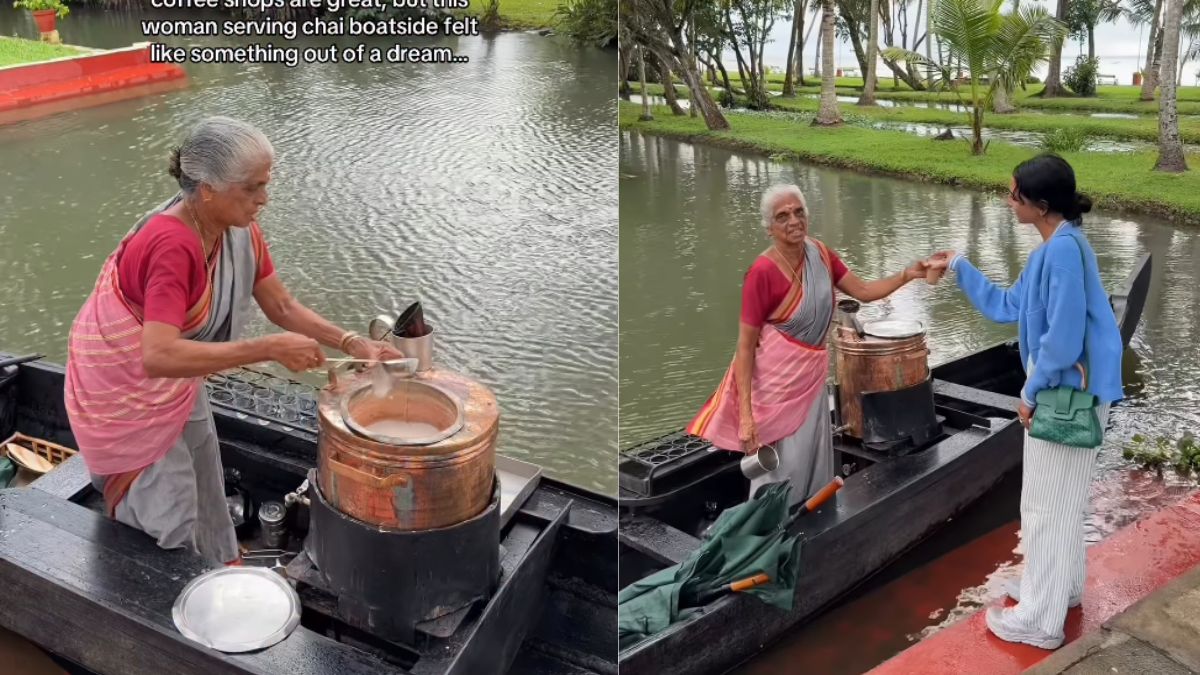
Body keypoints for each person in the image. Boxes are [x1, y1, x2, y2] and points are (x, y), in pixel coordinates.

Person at [64, 116, 404, 566]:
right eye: (251, 188)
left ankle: (221, 567)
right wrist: (269, 348)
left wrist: (351, 342)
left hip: (179, 382)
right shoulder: (171, 244)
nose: (263, 198)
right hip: (127, 395)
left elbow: (281, 306)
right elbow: (158, 354)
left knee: (207, 479)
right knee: (167, 514)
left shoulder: (236, 229)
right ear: (207, 188)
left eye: (265, 184)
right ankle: (169, 603)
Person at [924, 153, 1124, 649]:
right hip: (1072, 386)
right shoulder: (1057, 246)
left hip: (1062, 391)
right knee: (1061, 500)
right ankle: (1057, 589)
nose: (1007, 201)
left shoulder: (1060, 253)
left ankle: (1041, 619)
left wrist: (1030, 392)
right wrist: (959, 266)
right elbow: (1008, 306)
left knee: (1045, 505)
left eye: (1013, 194)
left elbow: (1063, 336)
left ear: (1038, 204)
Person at [687, 184, 929, 505]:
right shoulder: (761, 273)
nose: (793, 221)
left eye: (798, 212)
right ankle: (767, 533)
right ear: (769, 227)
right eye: (782, 216)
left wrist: (907, 274)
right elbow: (745, 349)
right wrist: (746, 417)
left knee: (814, 458)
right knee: (779, 468)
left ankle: (811, 523)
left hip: (812, 378)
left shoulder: (821, 254)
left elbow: (865, 291)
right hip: (775, 388)